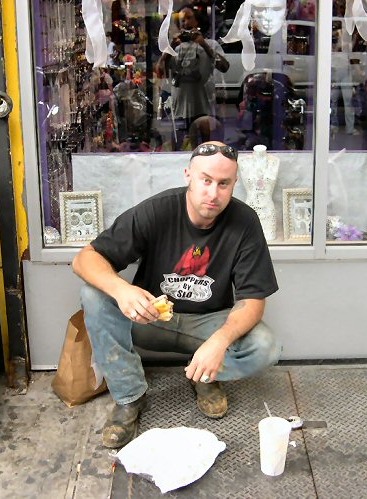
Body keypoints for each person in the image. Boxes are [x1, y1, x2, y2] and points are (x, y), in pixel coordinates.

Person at [72, 141, 282, 449]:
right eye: (205, 180)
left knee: (266, 347)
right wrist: (122, 290)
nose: (213, 193)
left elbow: (253, 301)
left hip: (208, 324)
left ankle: (203, 375)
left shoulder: (245, 222)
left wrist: (219, 343)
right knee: (94, 294)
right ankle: (130, 397)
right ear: (189, 175)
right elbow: (84, 259)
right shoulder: (158, 210)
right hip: (152, 319)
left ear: (234, 183)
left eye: (223, 184)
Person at [155, 5, 229, 143]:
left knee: (205, 143)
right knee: (183, 144)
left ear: (197, 21)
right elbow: (159, 71)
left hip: (203, 104)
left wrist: (204, 45)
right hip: (179, 108)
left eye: (189, 18)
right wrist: (169, 49)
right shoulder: (174, 48)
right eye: (182, 20)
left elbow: (224, 67)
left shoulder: (210, 44)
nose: (185, 23)